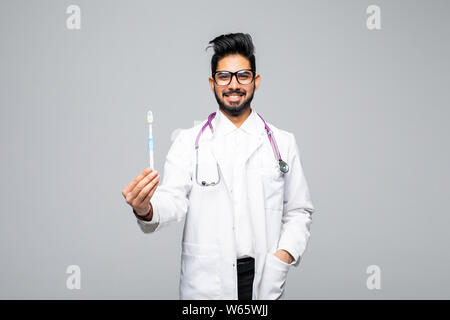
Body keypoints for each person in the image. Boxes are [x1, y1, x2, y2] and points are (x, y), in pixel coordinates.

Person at [121, 32, 315, 300]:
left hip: (263, 276)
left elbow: (299, 211)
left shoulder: (283, 143)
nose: (233, 84)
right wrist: (145, 208)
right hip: (207, 281)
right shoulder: (189, 142)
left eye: (242, 76)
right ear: (212, 83)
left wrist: (283, 257)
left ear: (255, 81)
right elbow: (172, 200)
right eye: (224, 76)